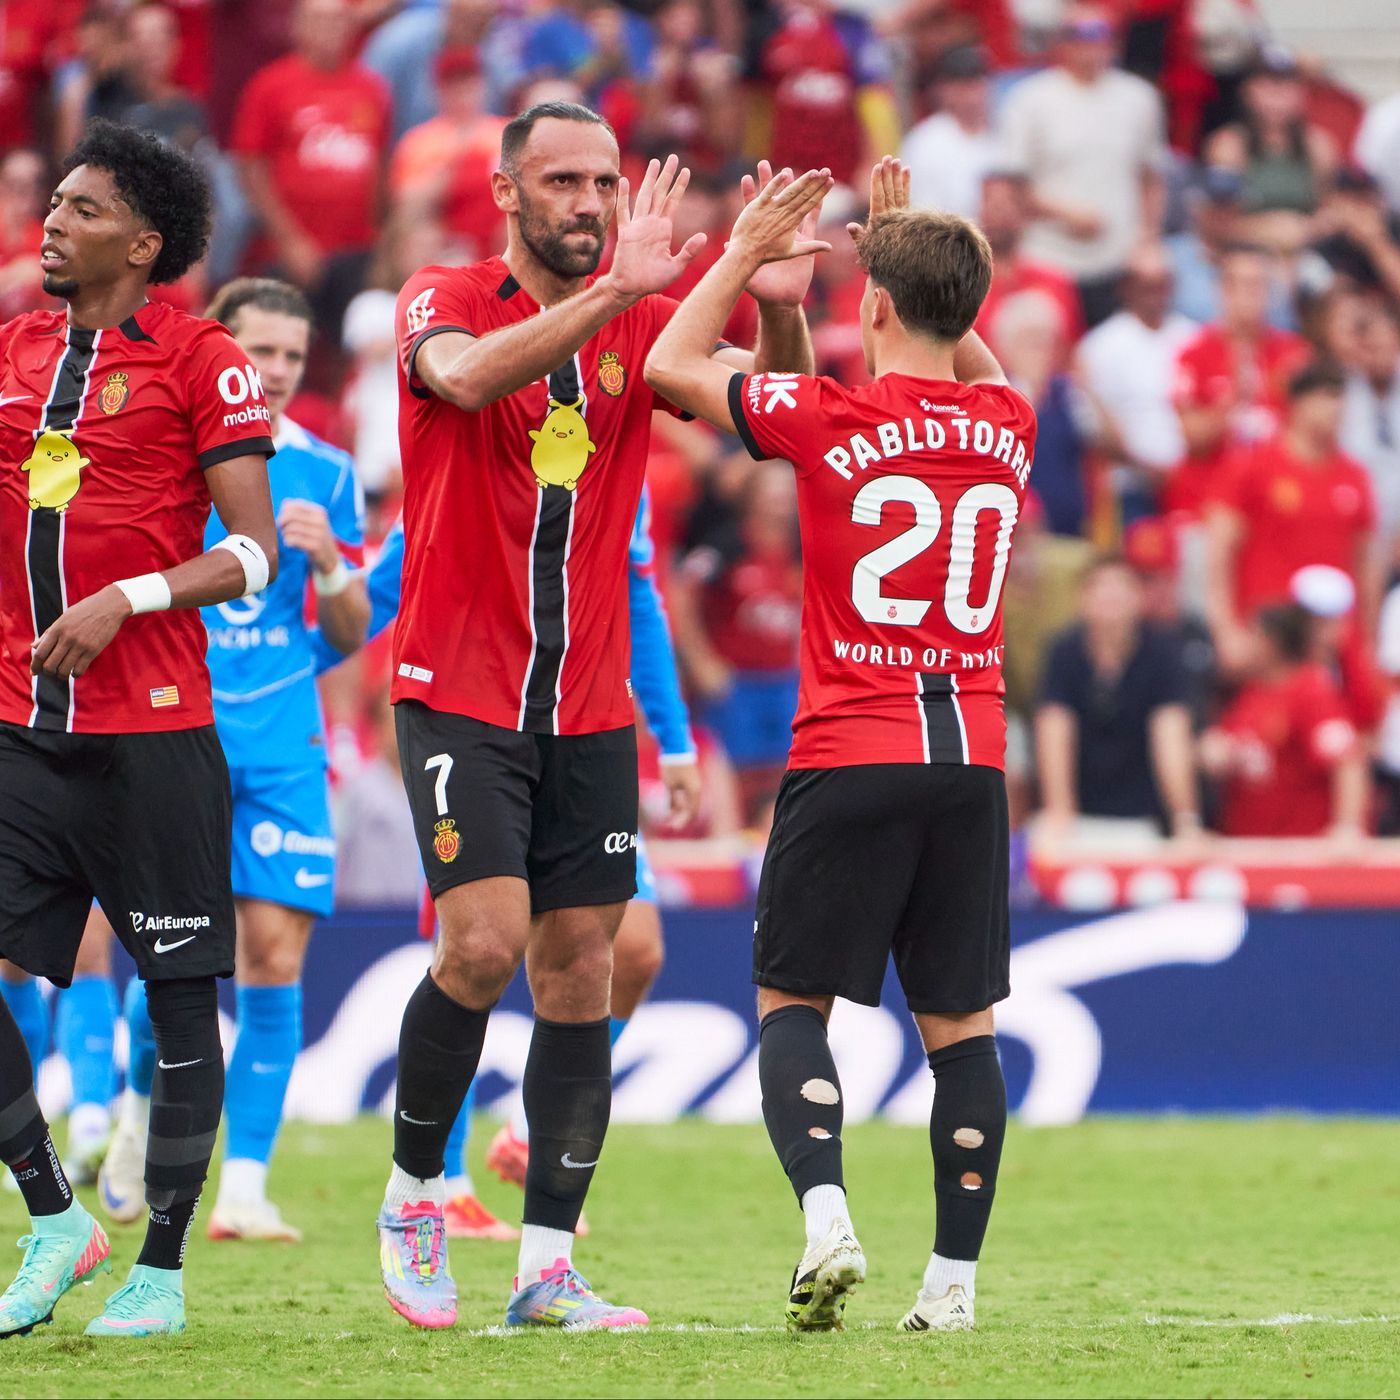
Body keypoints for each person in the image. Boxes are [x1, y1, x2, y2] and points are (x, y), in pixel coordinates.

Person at [377, 101, 814, 1331]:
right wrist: (626, 287)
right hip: (457, 688)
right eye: (562, 180)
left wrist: (773, 300)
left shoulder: (638, 325)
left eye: (604, 182)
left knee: (582, 966)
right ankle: (413, 1195)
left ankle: (546, 1266)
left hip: (584, 707)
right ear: (506, 194)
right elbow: (462, 380)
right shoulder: (444, 296)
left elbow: (771, 415)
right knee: (481, 943)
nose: (588, 202)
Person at [646, 156, 1032, 1333]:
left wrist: (737, 254)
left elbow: (668, 364)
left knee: (791, 1001)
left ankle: (826, 1216)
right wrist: (909, 255)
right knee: (959, 1028)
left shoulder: (830, 417)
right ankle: (951, 1284)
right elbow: (969, 355)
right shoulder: (1007, 423)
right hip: (968, 758)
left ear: (870, 305)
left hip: (846, 749)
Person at [0, 119, 278, 1338]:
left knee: (176, 1000)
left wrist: (129, 595)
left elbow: (252, 552)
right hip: (18, 725)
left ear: (144, 241)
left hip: (153, 733)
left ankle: (159, 1269)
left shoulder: (203, 357)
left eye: (84, 207)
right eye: (54, 201)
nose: (53, 221)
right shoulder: (13, 348)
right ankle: (55, 1215)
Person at [99, 277, 368, 1243]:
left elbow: (351, 632)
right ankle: (137, 1117)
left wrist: (330, 564)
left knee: (274, 956)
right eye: (261, 351)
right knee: (173, 953)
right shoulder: (168, 455)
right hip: (181, 731)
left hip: (286, 743)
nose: (279, 370)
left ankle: (246, 1187)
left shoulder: (328, 474)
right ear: (224, 351)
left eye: (293, 355)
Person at [995, 3, 1166, 327]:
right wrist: (1064, 213)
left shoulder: (1140, 98)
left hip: (1119, 262)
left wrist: (1148, 239)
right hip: (1048, 258)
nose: (1089, 44)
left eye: (1099, 34)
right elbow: (1010, 188)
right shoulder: (1030, 99)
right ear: (1061, 42)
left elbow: (1151, 179)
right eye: (1077, 35)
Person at [230, 0, 392, 337]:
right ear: (298, 27)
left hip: (356, 249)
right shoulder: (270, 85)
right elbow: (250, 167)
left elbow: (379, 164)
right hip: (288, 252)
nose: (331, 29)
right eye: (320, 20)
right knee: (286, 342)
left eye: (339, 21)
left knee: (348, 346)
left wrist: (379, 240)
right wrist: (290, 241)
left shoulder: (372, 88)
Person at [1205, 361, 1379, 673]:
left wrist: (1367, 641)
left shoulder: (1355, 476)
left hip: (1332, 644)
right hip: (1270, 639)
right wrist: (1225, 631)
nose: (1336, 408)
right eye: (1326, 397)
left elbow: (1364, 565)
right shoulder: (1253, 467)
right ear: (1298, 403)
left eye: (1341, 398)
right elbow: (1219, 555)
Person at [1035, 555, 1202, 843]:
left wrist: (1185, 819)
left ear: (1140, 598)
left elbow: (1170, 734)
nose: (1111, 596)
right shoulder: (1063, 651)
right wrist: (1059, 810)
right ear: (1081, 598)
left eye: (1121, 587)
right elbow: (1054, 729)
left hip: (1142, 816)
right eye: (1100, 587)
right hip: (1077, 812)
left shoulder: (1163, 652)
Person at [1200, 604, 1369, 839]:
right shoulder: (1250, 693)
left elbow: (1347, 760)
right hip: (1248, 842)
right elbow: (1223, 747)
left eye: (1251, 635)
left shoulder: (1311, 691)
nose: (1243, 643)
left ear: (1271, 643)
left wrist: (1347, 827)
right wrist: (1213, 750)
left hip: (1299, 844)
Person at [1169, 242, 1311, 517]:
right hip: (1207, 496)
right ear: (1222, 290)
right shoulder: (1194, 354)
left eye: (1259, 285)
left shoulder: (1295, 354)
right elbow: (1192, 438)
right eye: (1242, 285)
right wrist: (1233, 398)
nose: (1251, 295)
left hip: (1276, 498)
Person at [1076, 244, 1197, 521]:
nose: (1154, 293)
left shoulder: (1192, 337)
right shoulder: (1100, 346)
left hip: (1189, 480)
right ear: (1126, 287)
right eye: (1145, 284)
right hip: (1131, 485)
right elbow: (1094, 422)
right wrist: (1145, 466)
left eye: (1161, 284)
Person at [900, 45, 997, 220]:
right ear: (944, 90)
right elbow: (921, 213)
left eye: (976, 84)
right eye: (962, 87)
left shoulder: (1002, 132)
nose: (971, 96)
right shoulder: (925, 142)